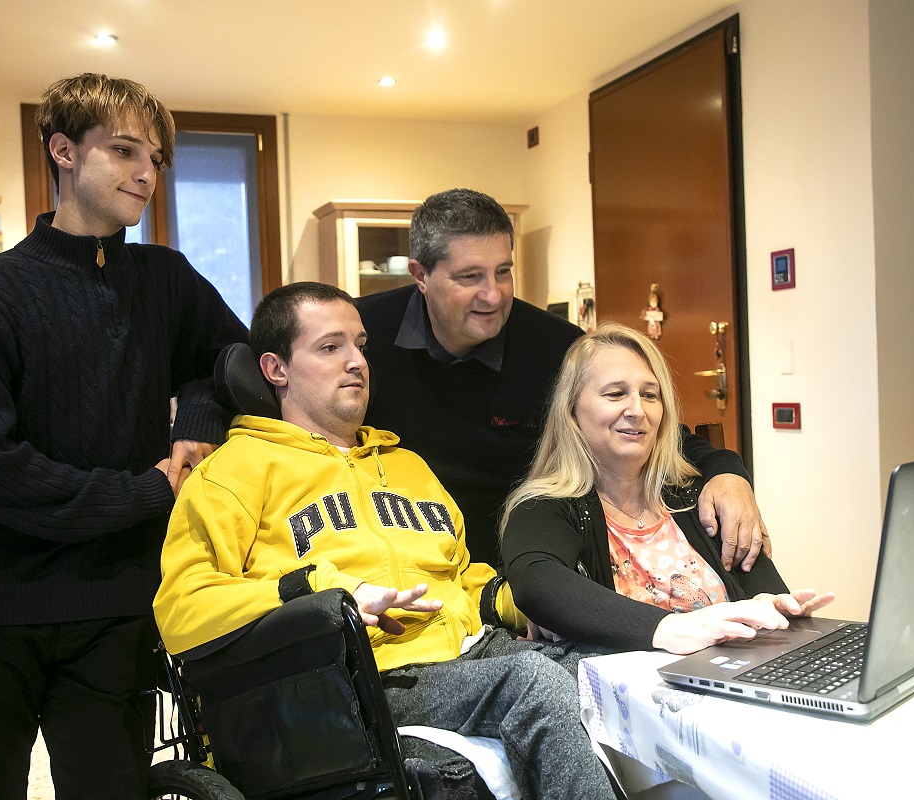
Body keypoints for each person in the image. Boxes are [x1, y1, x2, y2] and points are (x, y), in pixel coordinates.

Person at [154, 282, 620, 800]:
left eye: (360, 345)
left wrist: (530, 603)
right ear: (276, 368)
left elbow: (462, 578)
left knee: (608, 669)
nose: (356, 361)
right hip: (358, 680)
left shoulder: (407, 466)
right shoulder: (232, 473)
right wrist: (326, 593)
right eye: (330, 347)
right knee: (533, 682)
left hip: (468, 653)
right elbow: (182, 607)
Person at [0, 73, 248, 799]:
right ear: (64, 151)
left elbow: (229, 364)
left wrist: (195, 427)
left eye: (156, 159)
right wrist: (149, 491)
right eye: (125, 150)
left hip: (115, 605)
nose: (146, 173)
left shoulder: (166, 278)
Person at [356, 187, 771, 571]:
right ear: (420, 275)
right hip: (394, 562)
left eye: (503, 272)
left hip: (521, 565)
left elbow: (649, 429)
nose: (493, 295)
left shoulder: (556, 347)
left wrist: (727, 472)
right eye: (470, 277)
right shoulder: (359, 336)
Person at [501, 323, 833, 653]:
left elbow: (761, 586)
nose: (637, 410)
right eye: (615, 394)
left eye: (650, 395)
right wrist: (669, 629)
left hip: (735, 674)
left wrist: (770, 607)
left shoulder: (698, 494)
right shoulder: (545, 507)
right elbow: (535, 583)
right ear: (571, 410)